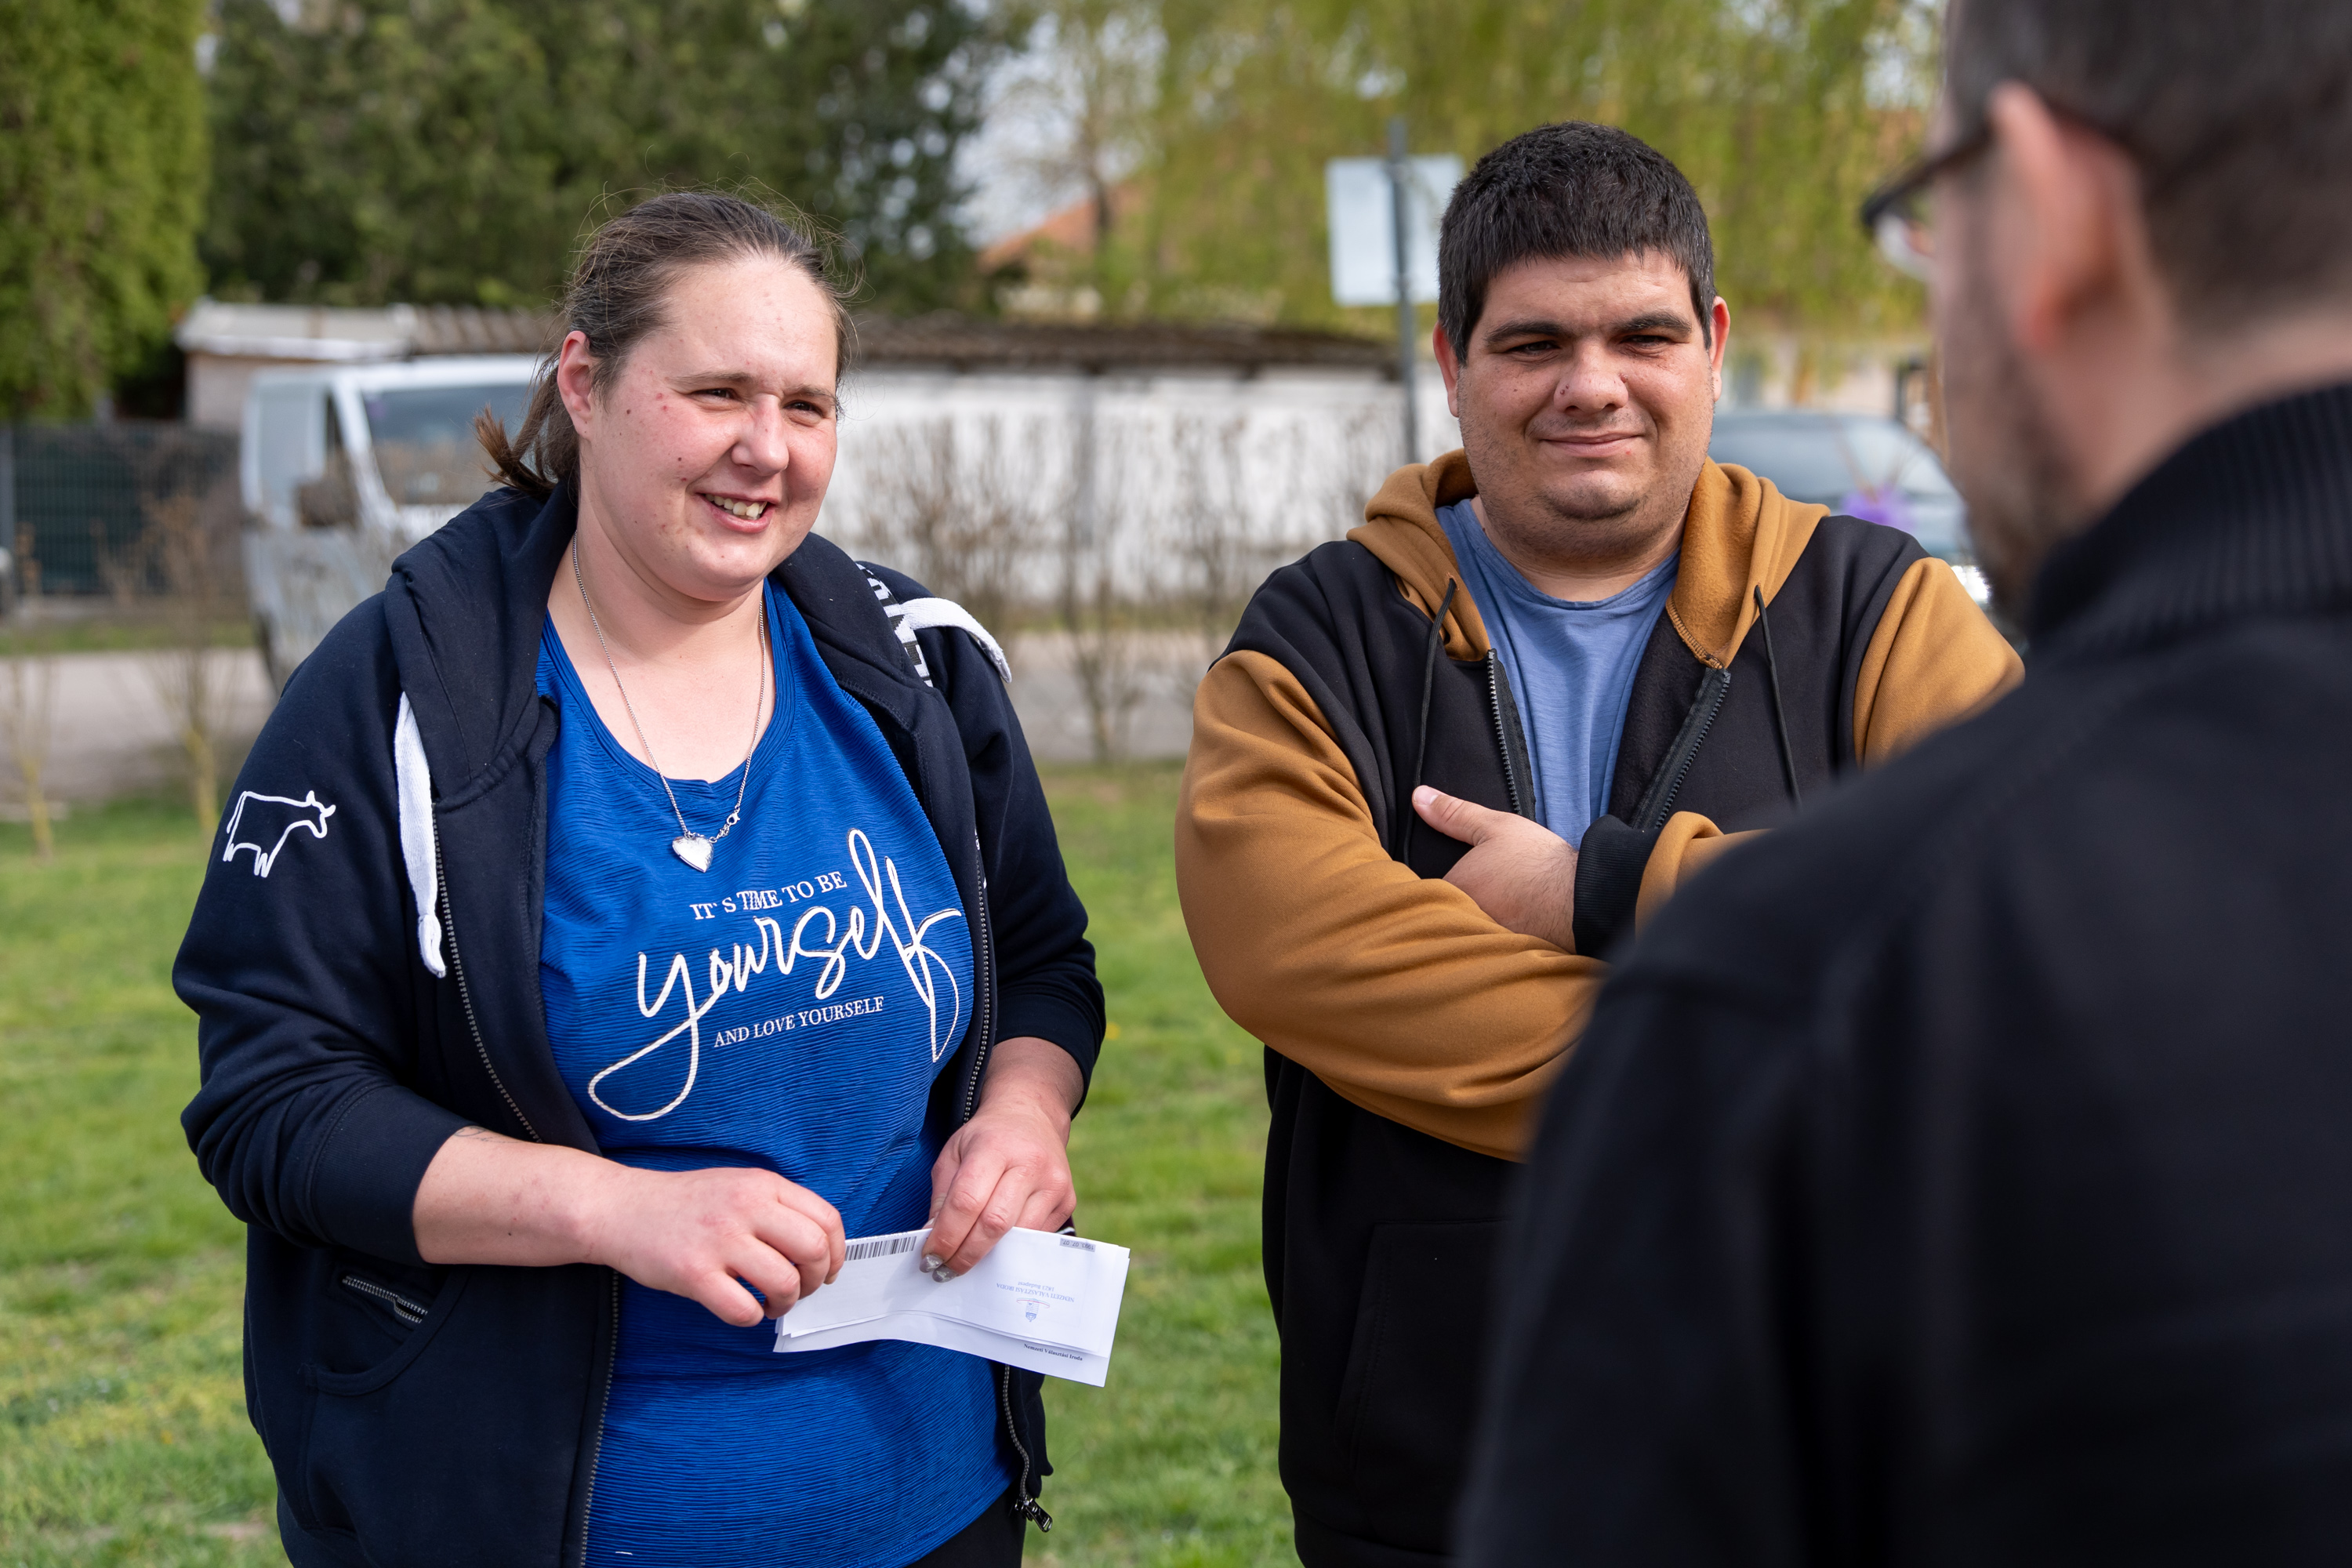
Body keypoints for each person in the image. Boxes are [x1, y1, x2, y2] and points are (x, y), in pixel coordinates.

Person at [1458, 1, 2352, 1561]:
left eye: (1932, 214)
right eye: (1536, 340)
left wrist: (1613, 897)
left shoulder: (1834, 993)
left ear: (2052, 208)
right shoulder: (1334, 617)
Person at [176, 191, 1105, 1568]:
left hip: (936, 1506)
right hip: (542, 1522)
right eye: (717, 391)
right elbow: (271, 1100)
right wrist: (618, 1212)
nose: (765, 450)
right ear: (587, 384)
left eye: (808, 404)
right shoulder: (399, 697)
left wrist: (1026, 1112)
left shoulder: (914, 667)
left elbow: (1038, 959)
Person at [1174, 122, 2020, 1566]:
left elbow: (2009, 940)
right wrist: (1802, 1051)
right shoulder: (1318, 643)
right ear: (1452, 359)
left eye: (1641, 333)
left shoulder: (1879, 615)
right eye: (1533, 343)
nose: (1592, 386)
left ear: (1713, 342)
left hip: (1812, 1451)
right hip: (1431, 1467)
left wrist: (1603, 887)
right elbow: (1295, 951)